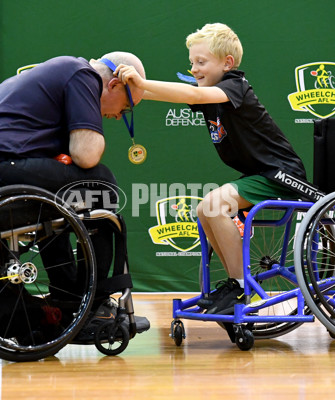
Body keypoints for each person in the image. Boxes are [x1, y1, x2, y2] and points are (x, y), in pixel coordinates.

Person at [0, 51, 150, 338]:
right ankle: (95, 306)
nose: (118, 116)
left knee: (60, 203)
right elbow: (86, 154)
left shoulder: (35, 75)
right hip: (9, 169)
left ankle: (68, 303)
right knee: (102, 184)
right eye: (126, 107)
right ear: (115, 85)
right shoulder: (84, 75)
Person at [115, 23, 307, 315]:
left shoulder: (235, 86)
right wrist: (131, 90)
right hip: (259, 175)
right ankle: (236, 283)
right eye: (191, 63)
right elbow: (175, 94)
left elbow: (191, 96)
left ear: (227, 63)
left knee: (213, 205)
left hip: (280, 174)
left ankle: (242, 287)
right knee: (206, 210)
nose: (193, 69)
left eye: (201, 62)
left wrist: (141, 83)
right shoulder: (209, 93)